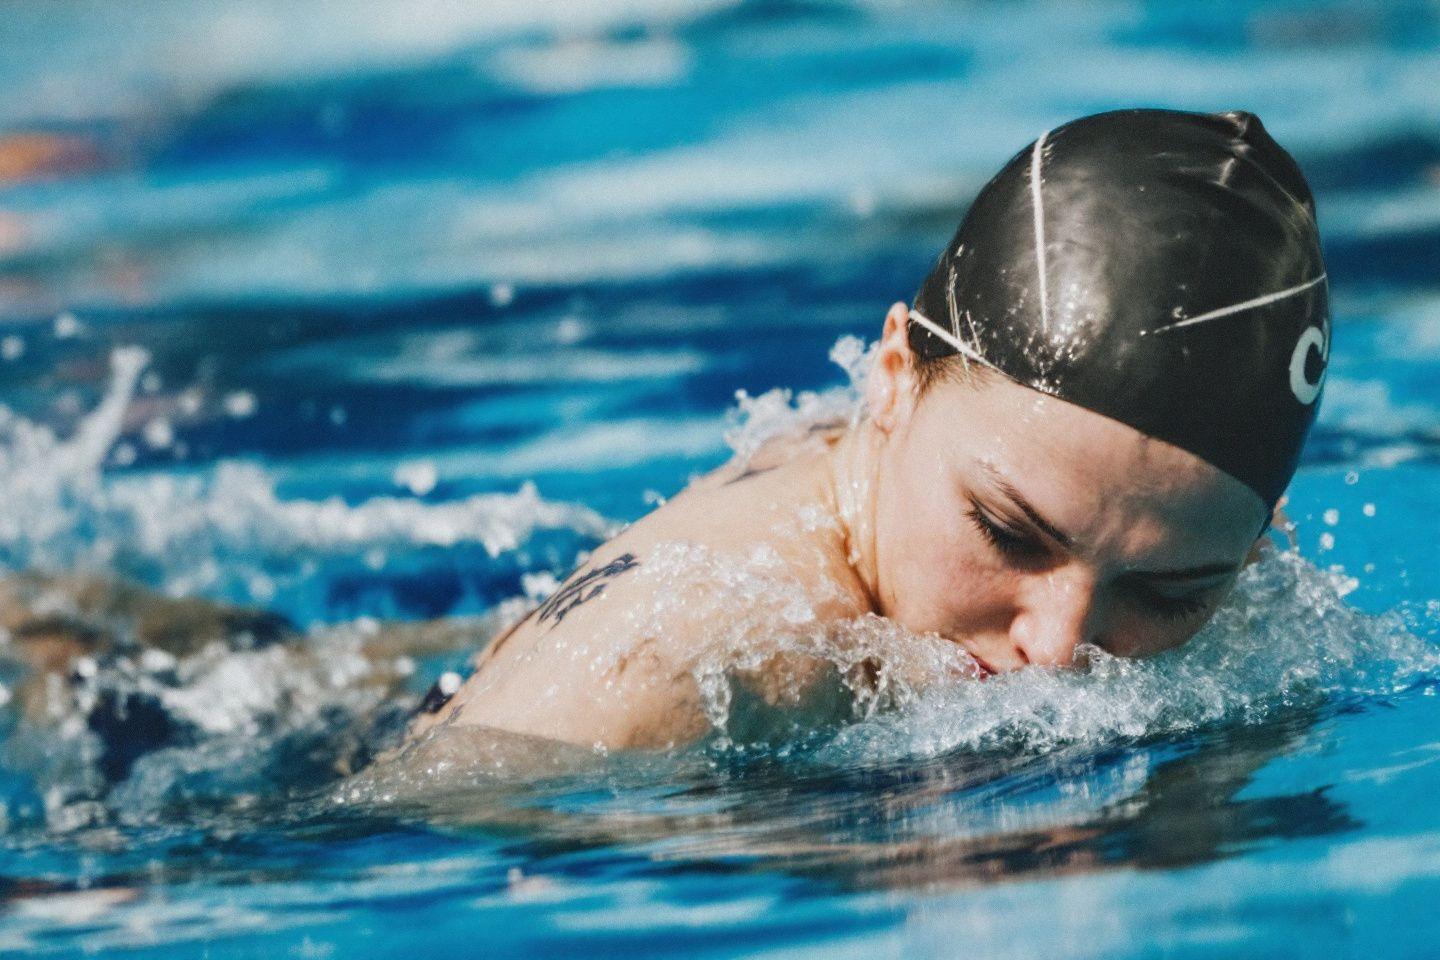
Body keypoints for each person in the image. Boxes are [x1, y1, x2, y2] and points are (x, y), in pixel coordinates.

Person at [405, 107, 1331, 750]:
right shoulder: (680, 675)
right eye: (1007, 533)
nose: (1056, 652)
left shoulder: (1178, 527)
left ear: (1248, 551)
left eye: (1166, 595)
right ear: (892, 378)